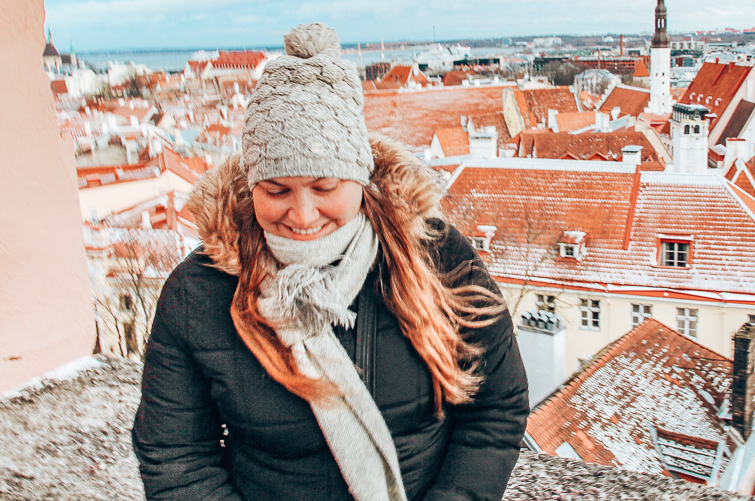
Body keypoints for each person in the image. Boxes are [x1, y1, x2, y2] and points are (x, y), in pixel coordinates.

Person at [132, 24, 530, 501]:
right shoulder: (201, 290)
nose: (301, 215)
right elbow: (175, 452)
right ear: (251, 186)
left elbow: (495, 406)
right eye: (276, 191)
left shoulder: (436, 257)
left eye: (324, 188)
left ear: (359, 178)